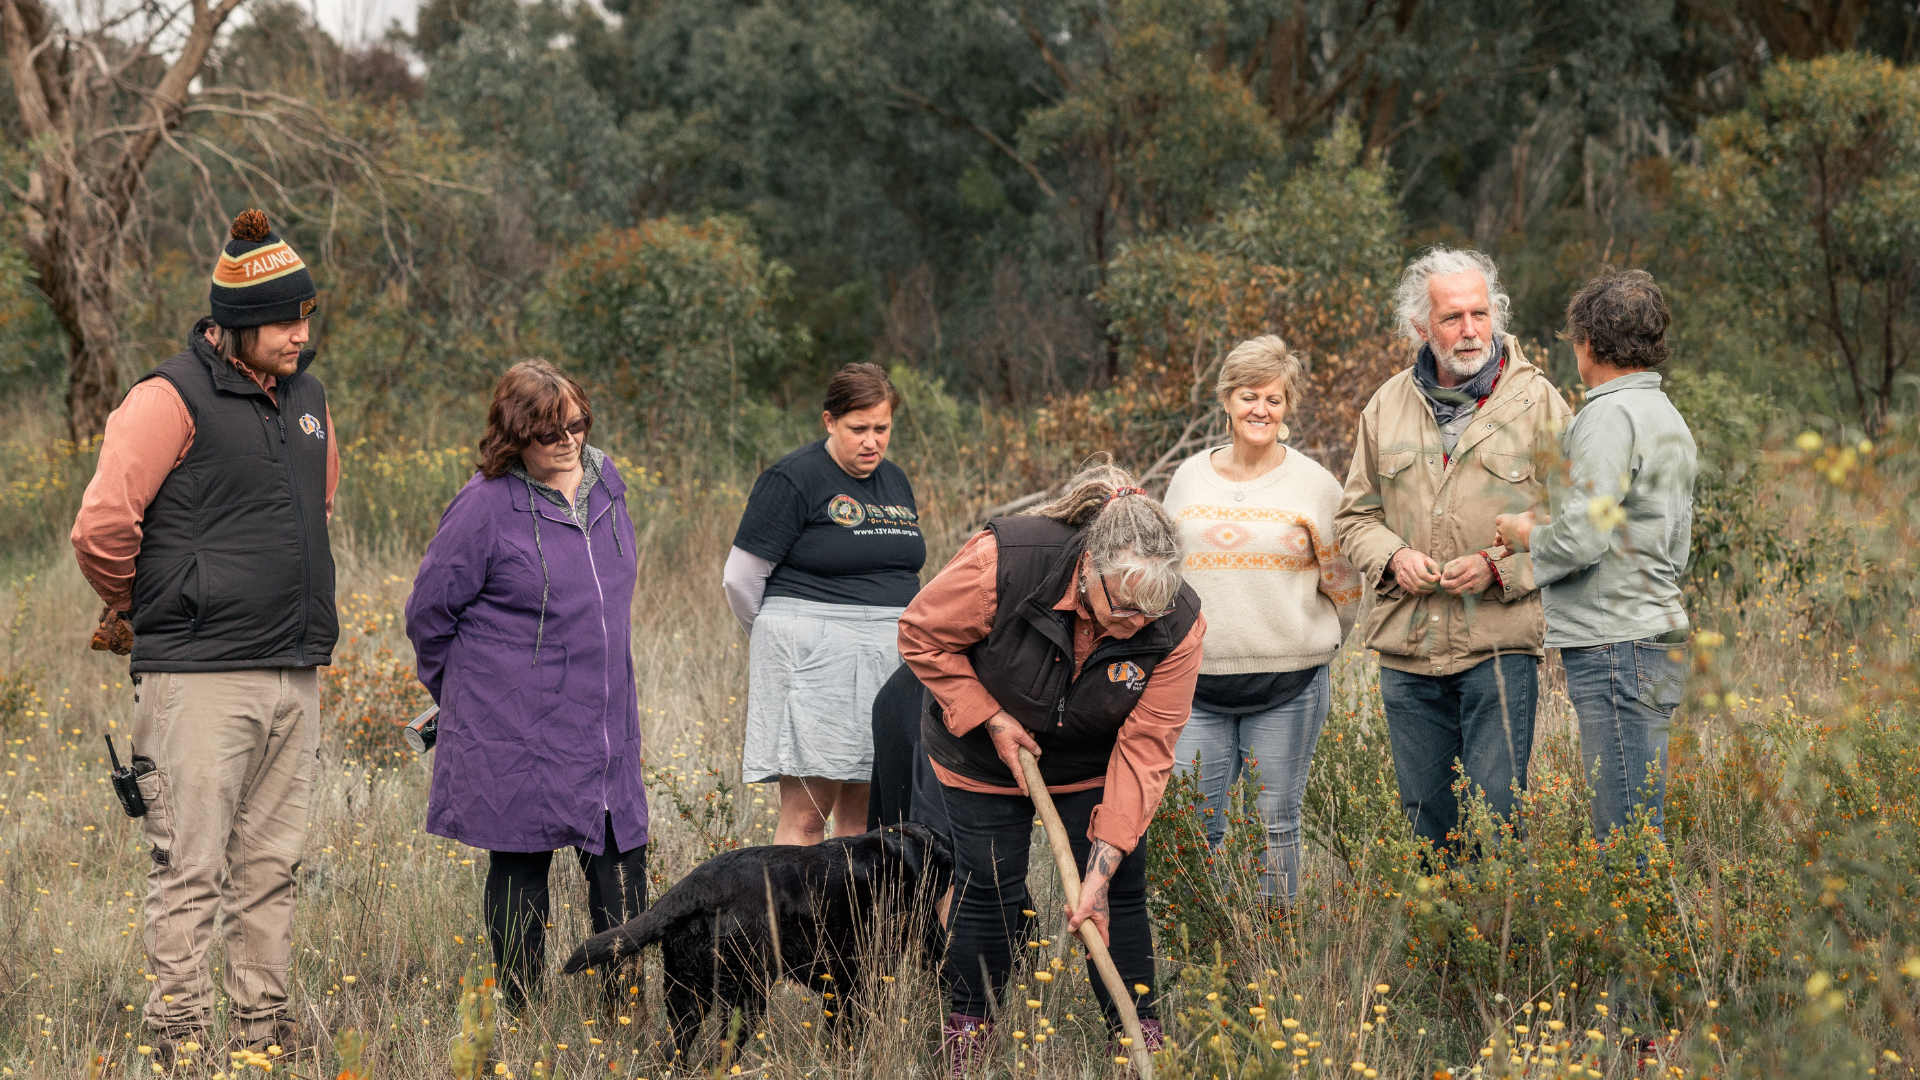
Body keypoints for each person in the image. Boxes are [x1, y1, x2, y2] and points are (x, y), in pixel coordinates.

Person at [70, 209, 337, 1068]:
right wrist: (151, 605)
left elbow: (315, 512)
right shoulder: (166, 398)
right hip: (197, 679)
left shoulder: (308, 401)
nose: (303, 333)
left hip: (296, 671)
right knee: (189, 870)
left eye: (307, 315)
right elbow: (102, 528)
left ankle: (262, 1039)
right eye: (287, 319)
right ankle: (179, 1045)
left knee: (273, 868)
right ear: (235, 321)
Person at [898, 461, 1205, 1070]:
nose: (1133, 626)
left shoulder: (1178, 625)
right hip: (981, 749)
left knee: (1117, 891)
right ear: (1089, 564)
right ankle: (969, 1030)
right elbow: (920, 634)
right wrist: (989, 716)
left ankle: (1137, 1035)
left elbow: (1146, 749)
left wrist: (1106, 858)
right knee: (988, 887)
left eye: (1149, 613)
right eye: (1122, 609)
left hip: (1092, 761)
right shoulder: (1006, 561)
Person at [405, 360, 648, 1009]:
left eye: (577, 424)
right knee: (520, 860)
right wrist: (462, 690)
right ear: (514, 436)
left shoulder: (606, 483)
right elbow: (429, 612)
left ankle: (623, 1009)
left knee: (621, 857)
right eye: (549, 432)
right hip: (514, 719)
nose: (568, 440)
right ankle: (520, 1010)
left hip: (601, 713)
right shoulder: (484, 505)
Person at [1334, 246, 1572, 854]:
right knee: (1426, 832)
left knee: (1496, 827)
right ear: (1420, 327)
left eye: (1480, 314)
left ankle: (1494, 947)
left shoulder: (1540, 403)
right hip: (1408, 656)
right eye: (1451, 318)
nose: (1469, 330)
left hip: (1498, 650)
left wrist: (1499, 567)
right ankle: (1438, 950)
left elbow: (1577, 527)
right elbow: (1355, 517)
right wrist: (1392, 557)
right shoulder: (1386, 405)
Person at [1495, 270, 1697, 843]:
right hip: (1647, 636)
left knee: (1625, 833)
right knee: (1638, 819)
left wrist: (1523, 533)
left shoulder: (1608, 416)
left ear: (1588, 342)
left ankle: (1641, 929)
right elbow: (1628, 524)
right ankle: (1652, 924)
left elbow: (1585, 541)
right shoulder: (1663, 413)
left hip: (1617, 644)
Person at [1163, 336, 1360, 910]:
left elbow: (1344, 588)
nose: (1260, 410)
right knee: (1194, 834)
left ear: (1287, 406)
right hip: (1196, 687)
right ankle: (1197, 955)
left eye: (1274, 399)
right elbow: (1165, 576)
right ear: (1226, 400)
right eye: (1249, 396)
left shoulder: (1316, 486)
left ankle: (1274, 951)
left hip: (1288, 685)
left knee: (1276, 829)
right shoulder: (1187, 480)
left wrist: (1306, 642)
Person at [724, 363, 925, 844]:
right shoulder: (794, 478)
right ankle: (793, 920)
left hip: (891, 660)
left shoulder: (895, 480)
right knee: (809, 817)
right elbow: (740, 578)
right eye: (858, 429)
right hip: (817, 659)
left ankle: (847, 922)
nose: (871, 441)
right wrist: (788, 639)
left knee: (865, 824)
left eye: (882, 428)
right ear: (829, 421)